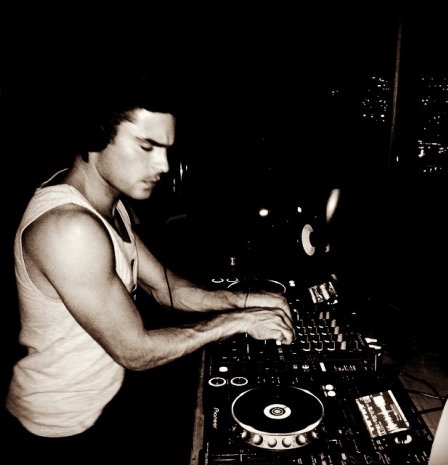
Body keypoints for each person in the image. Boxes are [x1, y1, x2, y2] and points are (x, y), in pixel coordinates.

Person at [4, 75, 295, 460]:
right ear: (95, 137)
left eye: (166, 150)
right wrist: (236, 322)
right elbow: (135, 351)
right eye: (146, 146)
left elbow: (164, 288)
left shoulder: (109, 206)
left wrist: (245, 301)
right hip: (60, 427)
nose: (163, 165)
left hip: (103, 404)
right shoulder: (69, 228)